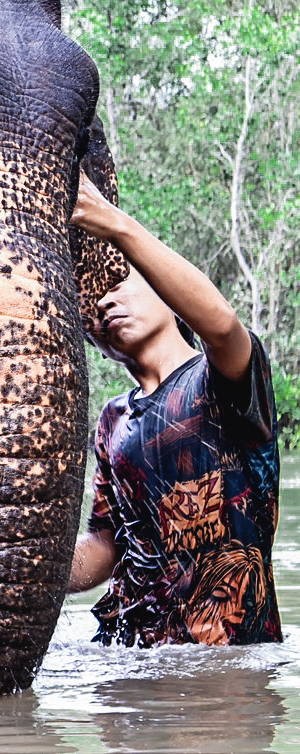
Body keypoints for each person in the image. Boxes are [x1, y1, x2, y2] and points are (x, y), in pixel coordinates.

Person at [66, 173, 281, 646]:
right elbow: (104, 547)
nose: (104, 300)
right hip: (130, 665)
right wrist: (22, 569)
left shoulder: (222, 377)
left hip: (225, 666)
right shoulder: (111, 421)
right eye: (92, 302)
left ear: (167, 292)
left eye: (121, 283)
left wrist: (116, 226)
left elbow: (223, 326)